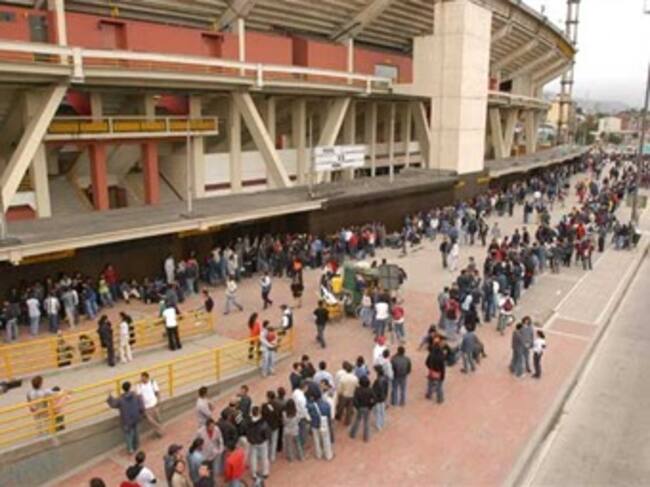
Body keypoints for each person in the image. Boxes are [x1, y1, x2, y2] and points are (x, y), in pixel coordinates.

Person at [107, 381, 144, 454]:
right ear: (130, 387)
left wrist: (110, 395)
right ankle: (136, 445)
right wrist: (141, 412)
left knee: (128, 434)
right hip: (135, 417)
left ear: (123, 389)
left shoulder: (120, 398)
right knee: (136, 431)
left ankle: (130, 449)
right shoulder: (135, 395)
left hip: (126, 420)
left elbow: (113, 404)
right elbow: (141, 405)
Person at [306, 391, 333, 460]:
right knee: (326, 439)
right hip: (324, 424)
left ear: (313, 397)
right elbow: (329, 416)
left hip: (315, 424)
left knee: (316, 440)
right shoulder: (327, 404)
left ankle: (318, 454)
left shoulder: (311, 406)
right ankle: (328, 455)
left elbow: (307, 410)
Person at [246, 406, 271, 483]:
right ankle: (265, 472)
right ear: (258, 413)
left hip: (252, 442)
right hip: (262, 442)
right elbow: (267, 434)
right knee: (264, 457)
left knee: (253, 458)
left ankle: (254, 474)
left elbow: (246, 432)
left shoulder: (248, 422)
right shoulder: (263, 423)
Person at [136, 372, 164, 437]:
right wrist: (141, 406)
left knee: (158, 419)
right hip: (146, 407)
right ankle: (159, 428)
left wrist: (159, 401)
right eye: (141, 378)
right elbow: (139, 396)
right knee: (150, 421)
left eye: (143, 378)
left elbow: (157, 392)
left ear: (147, 378)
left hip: (154, 404)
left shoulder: (152, 382)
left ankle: (158, 432)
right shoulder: (139, 385)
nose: (142, 379)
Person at [349, 376, 375, 442]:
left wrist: (357, 407)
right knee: (366, 422)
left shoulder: (357, 390)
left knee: (357, 420)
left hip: (360, 407)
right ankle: (366, 437)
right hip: (367, 408)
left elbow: (354, 400)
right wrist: (370, 406)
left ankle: (352, 434)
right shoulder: (370, 390)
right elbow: (374, 399)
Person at [261, 390, 282, 463]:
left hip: (268, 426)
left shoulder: (265, 406)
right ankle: (272, 457)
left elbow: (263, 416)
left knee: (267, 441)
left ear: (268, 397)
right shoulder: (278, 404)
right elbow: (279, 415)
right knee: (274, 441)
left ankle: (266, 455)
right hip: (275, 425)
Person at [425, 339, 446, 404]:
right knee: (439, 386)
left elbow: (426, 362)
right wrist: (443, 376)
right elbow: (442, 367)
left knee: (430, 383)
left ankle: (429, 395)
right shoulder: (441, 356)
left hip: (432, 371)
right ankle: (439, 399)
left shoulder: (431, 354)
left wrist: (430, 367)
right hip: (439, 372)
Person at [371, 365, 389, 431]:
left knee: (377, 411)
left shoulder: (377, 381)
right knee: (382, 411)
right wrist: (385, 396)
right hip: (383, 397)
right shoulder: (385, 378)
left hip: (378, 399)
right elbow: (386, 389)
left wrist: (374, 398)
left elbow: (374, 391)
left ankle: (378, 425)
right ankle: (382, 422)